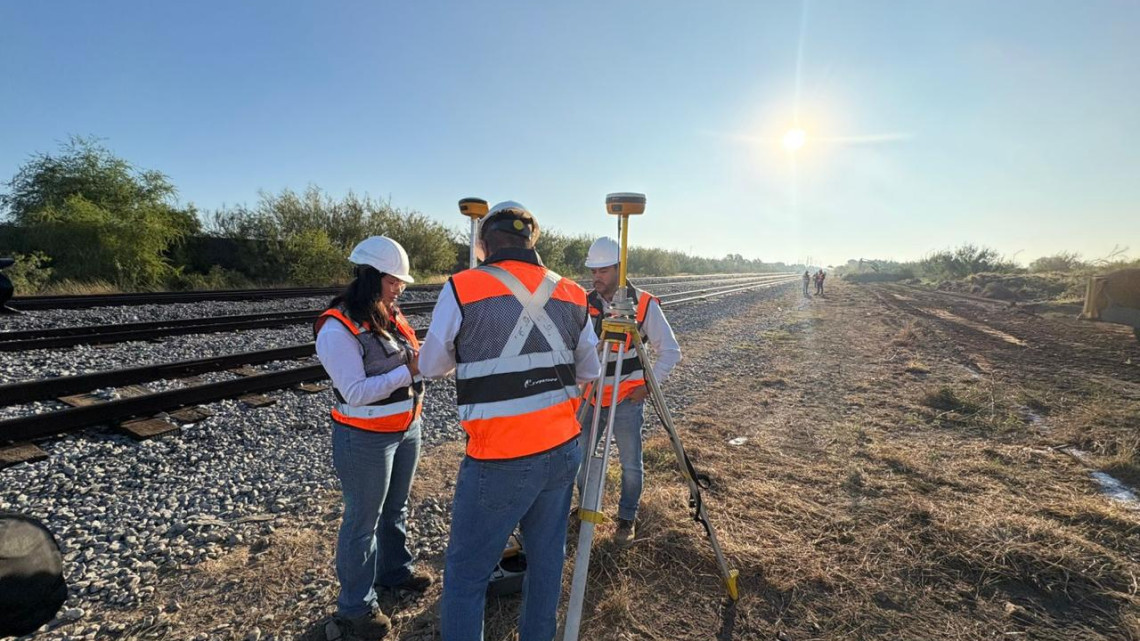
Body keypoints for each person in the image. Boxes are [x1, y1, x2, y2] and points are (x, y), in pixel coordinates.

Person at [419, 201, 601, 641]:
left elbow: (430, 365)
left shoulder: (464, 286)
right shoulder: (573, 293)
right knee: (546, 563)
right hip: (561, 451)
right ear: (531, 241)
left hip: (499, 456)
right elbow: (589, 371)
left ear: (483, 244)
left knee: (466, 575)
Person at [314, 236, 432, 640]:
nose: (400, 287)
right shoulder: (337, 326)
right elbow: (356, 391)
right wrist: (412, 372)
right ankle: (355, 608)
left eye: (401, 282)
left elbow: (409, 359)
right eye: (393, 280)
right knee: (362, 523)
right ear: (370, 276)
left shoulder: (388, 313)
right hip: (364, 438)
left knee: (395, 508)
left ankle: (394, 572)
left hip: (405, 429)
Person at [577, 237, 681, 546]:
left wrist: (647, 388)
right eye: (593, 271)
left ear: (620, 270)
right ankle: (585, 511)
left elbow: (671, 352)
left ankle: (626, 519)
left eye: (604, 271)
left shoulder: (644, 304)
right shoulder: (585, 302)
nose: (597, 277)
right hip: (591, 398)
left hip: (626, 400)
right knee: (578, 461)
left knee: (631, 466)